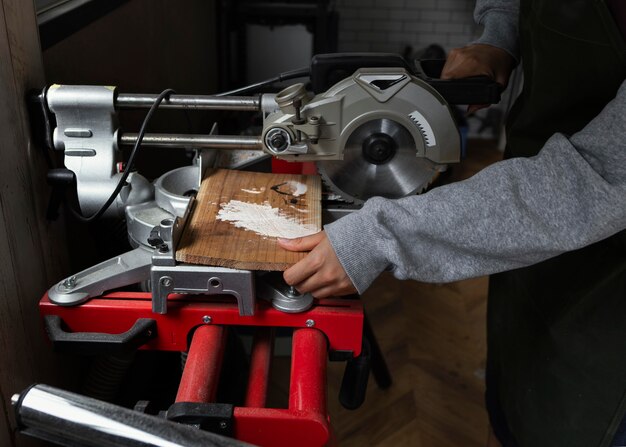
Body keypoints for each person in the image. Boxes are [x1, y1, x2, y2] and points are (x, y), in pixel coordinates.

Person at [278, 0, 626, 446]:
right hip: (531, 222)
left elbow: (592, 177)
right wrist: (498, 37)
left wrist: (381, 236)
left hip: (612, 281)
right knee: (521, 390)